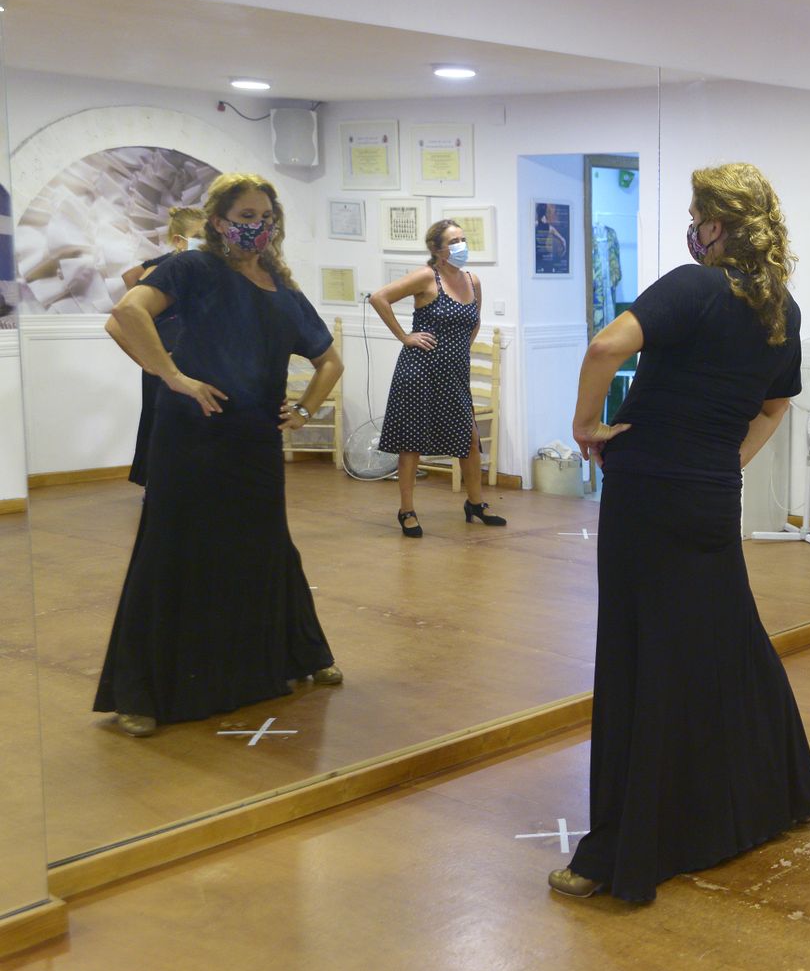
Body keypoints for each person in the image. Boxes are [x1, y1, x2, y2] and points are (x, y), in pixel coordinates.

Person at [549, 162, 810, 903]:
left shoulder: (695, 284)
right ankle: (761, 797)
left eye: (697, 215)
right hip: (709, 491)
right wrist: (722, 457)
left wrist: (584, 424)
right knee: (720, 638)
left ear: (715, 224)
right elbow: (776, 405)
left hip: (647, 492)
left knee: (645, 653)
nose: (691, 228)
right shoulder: (781, 307)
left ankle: (625, 845)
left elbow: (607, 346)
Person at [97, 173, 345, 737]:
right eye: (245, 215)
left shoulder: (281, 288)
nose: (255, 225)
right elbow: (126, 316)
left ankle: (296, 653)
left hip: (254, 439)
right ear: (217, 222)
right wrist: (176, 377)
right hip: (192, 436)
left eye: (264, 216)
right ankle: (144, 693)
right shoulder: (190, 269)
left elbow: (330, 360)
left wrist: (304, 411)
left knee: (264, 546)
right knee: (173, 550)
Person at [371, 219, 505, 536]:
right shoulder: (426, 276)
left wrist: (458, 351)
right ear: (437, 249)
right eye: (453, 241)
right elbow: (379, 298)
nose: (461, 245)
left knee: (469, 439)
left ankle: (475, 503)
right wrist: (405, 336)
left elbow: (474, 321)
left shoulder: (473, 280)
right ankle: (407, 511)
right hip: (419, 370)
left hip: (455, 372)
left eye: (463, 238)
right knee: (412, 442)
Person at [119, 206, 205, 486]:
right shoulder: (168, 267)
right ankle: (157, 486)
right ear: (181, 240)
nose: (206, 242)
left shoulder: (198, 270)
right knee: (160, 425)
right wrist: (147, 359)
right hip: (166, 359)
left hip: (185, 358)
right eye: (199, 236)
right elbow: (118, 318)